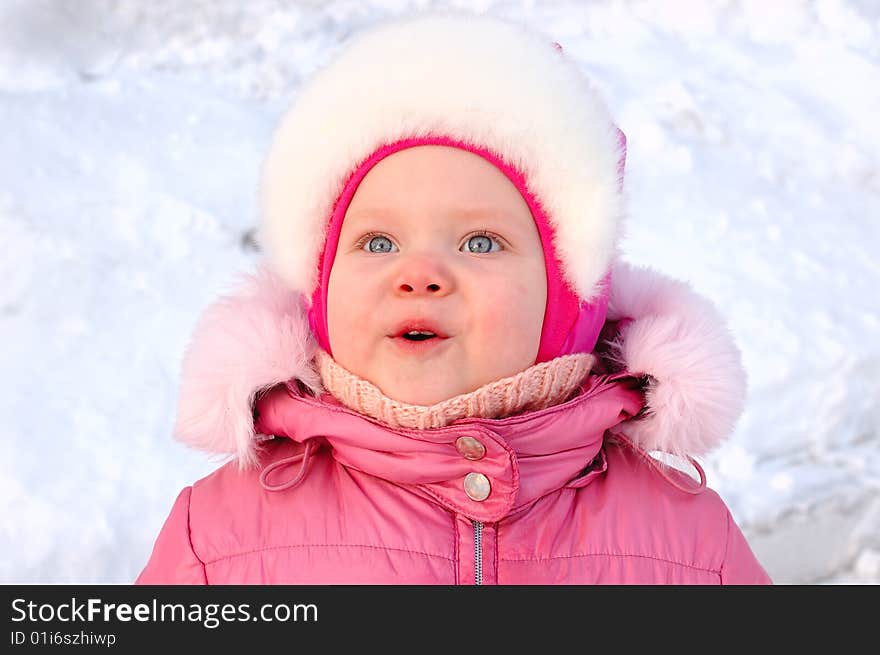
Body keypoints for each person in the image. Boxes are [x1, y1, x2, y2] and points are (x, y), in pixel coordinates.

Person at [136, 13, 771, 584]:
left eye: (480, 242)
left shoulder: (688, 544)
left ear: (570, 302)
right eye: (378, 241)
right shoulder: (219, 541)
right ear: (320, 291)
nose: (419, 274)